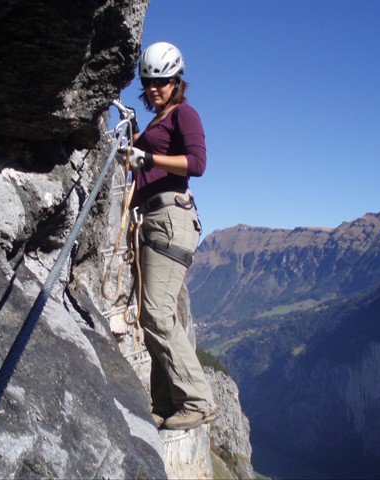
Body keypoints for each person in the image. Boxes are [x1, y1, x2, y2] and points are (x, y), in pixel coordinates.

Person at [116, 42, 217, 430]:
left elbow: (197, 163)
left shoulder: (184, 115)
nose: (155, 88)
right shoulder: (159, 123)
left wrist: (150, 157)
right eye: (149, 82)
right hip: (155, 219)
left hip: (169, 219)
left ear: (177, 81)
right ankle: (165, 402)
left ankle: (196, 400)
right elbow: (143, 160)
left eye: (163, 81)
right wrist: (136, 140)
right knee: (157, 314)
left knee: (155, 313)